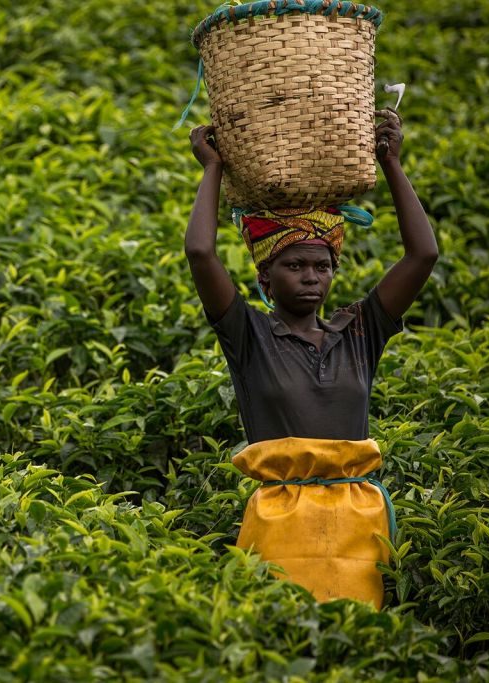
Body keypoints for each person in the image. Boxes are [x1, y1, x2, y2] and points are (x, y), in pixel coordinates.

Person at [183, 111, 438, 607]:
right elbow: (200, 254)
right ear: (265, 279)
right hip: (281, 521)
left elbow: (421, 256)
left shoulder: (360, 332)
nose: (310, 276)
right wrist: (211, 167)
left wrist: (392, 165)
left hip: (358, 523)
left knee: (360, 639)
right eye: (294, 265)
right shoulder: (250, 335)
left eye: (321, 266)